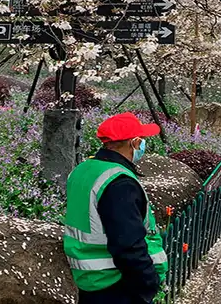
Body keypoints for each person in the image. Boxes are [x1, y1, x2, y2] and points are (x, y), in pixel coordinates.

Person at [64, 112, 168, 304]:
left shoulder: (83, 170)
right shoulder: (119, 182)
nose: (143, 145)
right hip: (117, 284)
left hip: (89, 280)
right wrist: (149, 282)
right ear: (134, 143)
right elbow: (128, 245)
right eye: (142, 140)